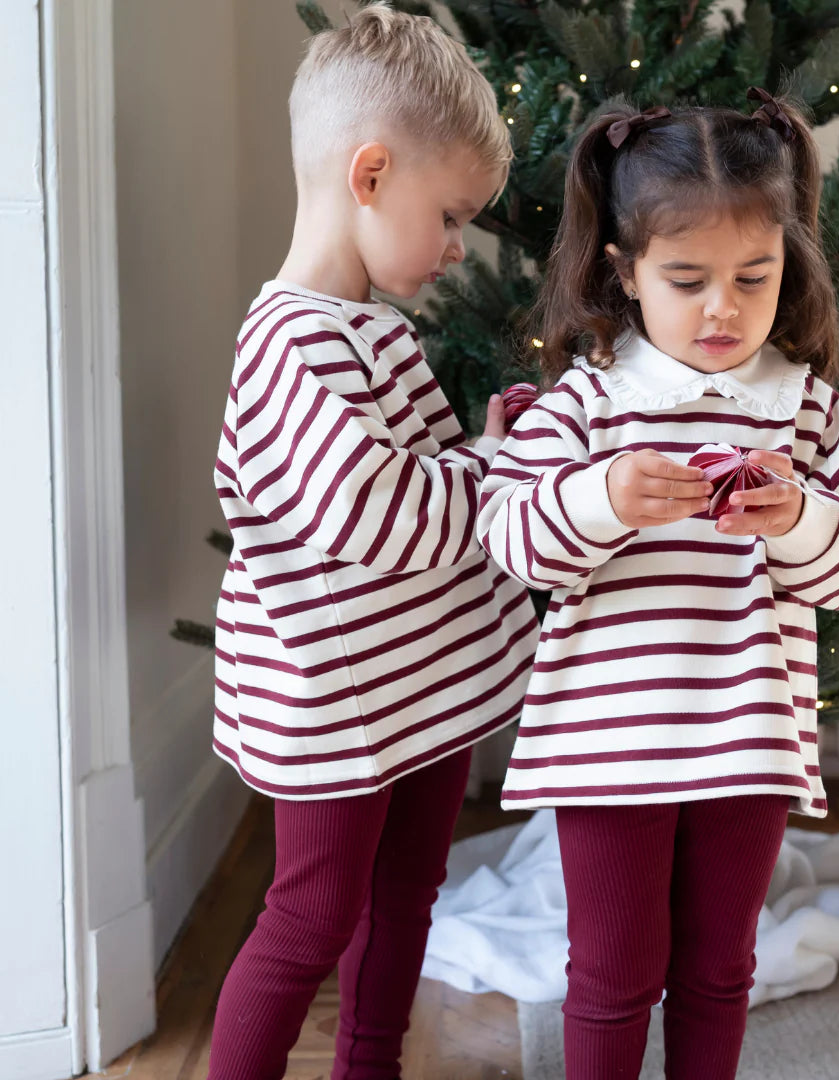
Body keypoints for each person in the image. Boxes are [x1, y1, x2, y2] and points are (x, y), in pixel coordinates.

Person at [477, 90, 839, 1080]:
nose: (724, 307)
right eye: (687, 279)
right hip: (605, 745)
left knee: (719, 970)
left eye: (755, 276)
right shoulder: (588, 403)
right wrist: (600, 500)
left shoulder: (804, 409)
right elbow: (509, 538)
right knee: (612, 974)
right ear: (626, 272)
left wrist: (801, 518)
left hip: (745, 740)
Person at [206, 6, 537, 1077]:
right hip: (338, 704)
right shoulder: (295, 345)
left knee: (407, 895)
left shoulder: (367, 329)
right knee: (310, 917)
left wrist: (483, 447)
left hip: (413, 686)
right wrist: (489, 473)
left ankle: (371, 1065)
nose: (456, 246)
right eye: (449, 216)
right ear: (372, 173)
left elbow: (411, 480)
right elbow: (379, 516)